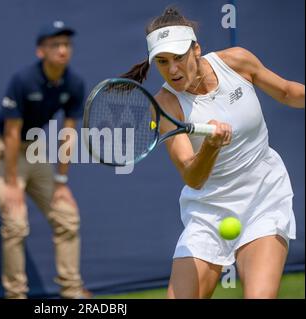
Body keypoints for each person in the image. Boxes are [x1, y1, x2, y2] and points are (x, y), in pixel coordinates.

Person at [121, 7, 305, 298]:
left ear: (196, 49)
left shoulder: (237, 61)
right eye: (162, 61)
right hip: (208, 210)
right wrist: (210, 147)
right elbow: (192, 176)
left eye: (178, 57)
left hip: (263, 196)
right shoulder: (166, 105)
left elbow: (287, 92)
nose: (172, 69)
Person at [0, 20, 91, 299]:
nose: (63, 50)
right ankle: (16, 295)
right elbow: (11, 133)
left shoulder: (74, 83)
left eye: (67, 44)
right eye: (56, 45)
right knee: (16, 223)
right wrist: (12, 183)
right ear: (41, 51)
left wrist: (62, 180)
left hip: (33, 151)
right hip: (2, 151)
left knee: (67, 217)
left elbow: (68, 135)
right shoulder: (23, 80)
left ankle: (72, 290)